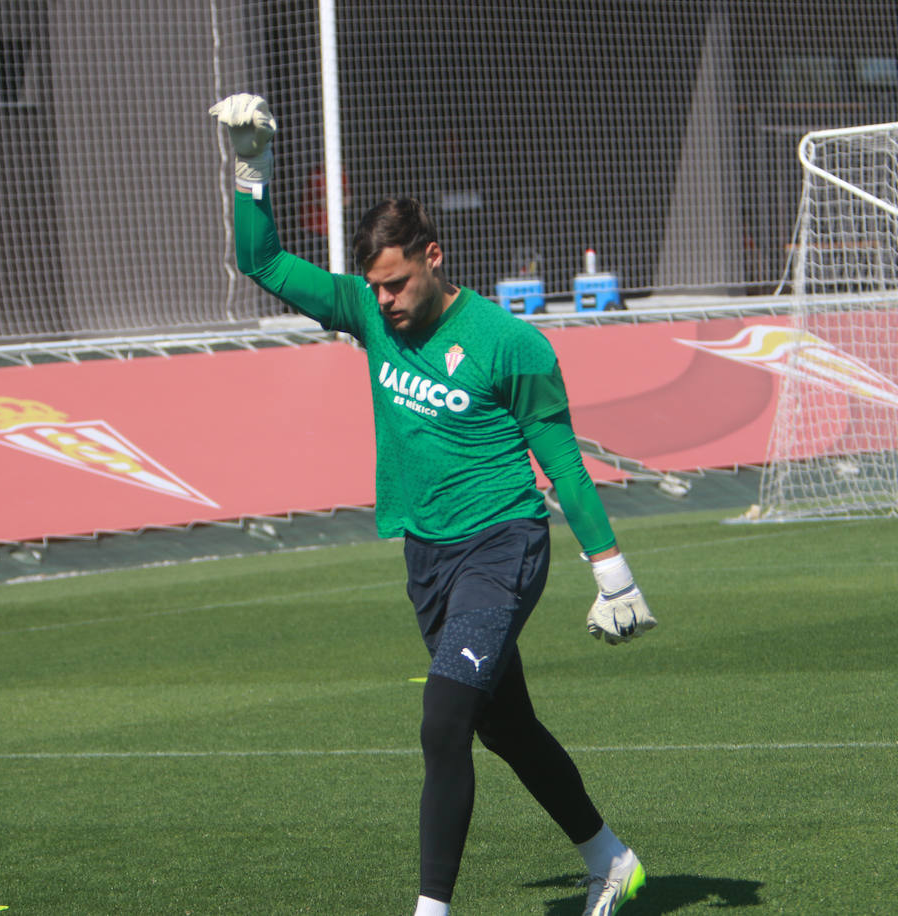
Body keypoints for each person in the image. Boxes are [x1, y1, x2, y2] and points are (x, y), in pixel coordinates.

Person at [211, 93, 656, 916]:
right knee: (505, 727)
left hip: (504, 545)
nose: (383, 302)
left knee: (444, 718)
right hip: (428, 554)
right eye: (374, 288)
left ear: (434, 257)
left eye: (397, 283)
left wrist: (614, 573)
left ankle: (431, 909)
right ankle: (612, 858)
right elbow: (264, 264)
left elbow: (560, 459)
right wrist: (250, 172)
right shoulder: (364, 313)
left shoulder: (510, 343)